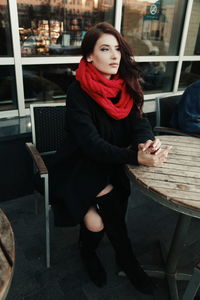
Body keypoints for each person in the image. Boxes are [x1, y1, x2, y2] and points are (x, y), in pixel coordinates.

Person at [50, 22, 171, 295]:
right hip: (79, 165)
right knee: (103, 216)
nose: (114, 56)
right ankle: (123, 259)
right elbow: (91, 145)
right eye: (105, 49)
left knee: (112, 209)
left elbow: (139, 122)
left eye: (117, 49)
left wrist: (145, 142)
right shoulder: (78, 92)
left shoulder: (125, 85)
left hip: (113, 163)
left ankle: (97, 251)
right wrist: (136, 157)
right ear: (90, 56)